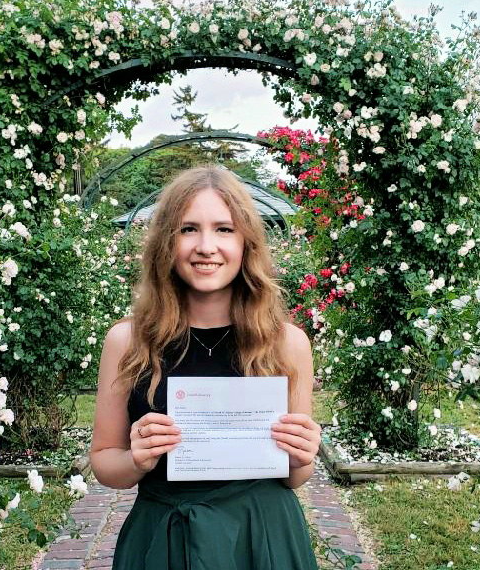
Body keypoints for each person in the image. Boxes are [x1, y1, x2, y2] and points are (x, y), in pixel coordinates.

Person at [89, 165, 321, 570]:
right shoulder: (127, 341)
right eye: (188, 229)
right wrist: (136, 460)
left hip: (263, 536)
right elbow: (106, 463)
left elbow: (294, 478)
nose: (206, 246)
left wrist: (302, 456)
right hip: (164, 535)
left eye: (224, 229)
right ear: (166, 242)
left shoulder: (286, 343)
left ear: (247, 241)